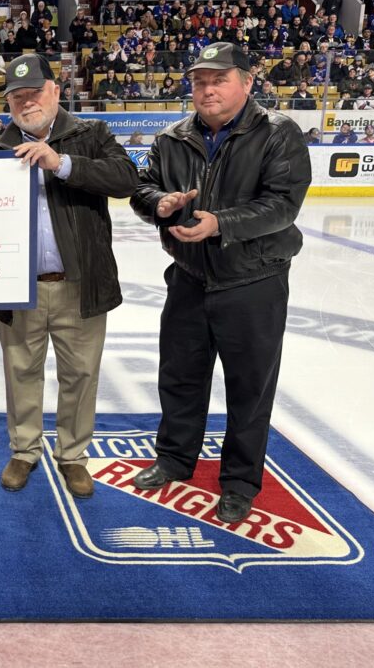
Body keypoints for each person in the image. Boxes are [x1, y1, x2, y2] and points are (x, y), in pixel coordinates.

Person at [129, 42, 312, 523]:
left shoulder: (277, 134)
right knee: (180, 377)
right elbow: (143, 187)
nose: (207, 89)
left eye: (219, 79)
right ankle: (173, 459)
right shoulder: (173, 137)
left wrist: (221, 224)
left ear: (247, 82)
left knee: (249, 389)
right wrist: (158, 204)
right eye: (199, 81)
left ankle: (239, 481)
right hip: (189, 277)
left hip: (253, 281)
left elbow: (282, 205)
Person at [0, 53, 138, 498]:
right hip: (21, 288)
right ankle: (25, 450)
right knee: (20, 373)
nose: (25, 103)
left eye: (33, 92)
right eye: (16, 97)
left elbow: (126, 178)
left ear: (55, 89)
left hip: (80, 284)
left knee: (81, 375)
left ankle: (72, 456)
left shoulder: (91, 134)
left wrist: (61, 164)